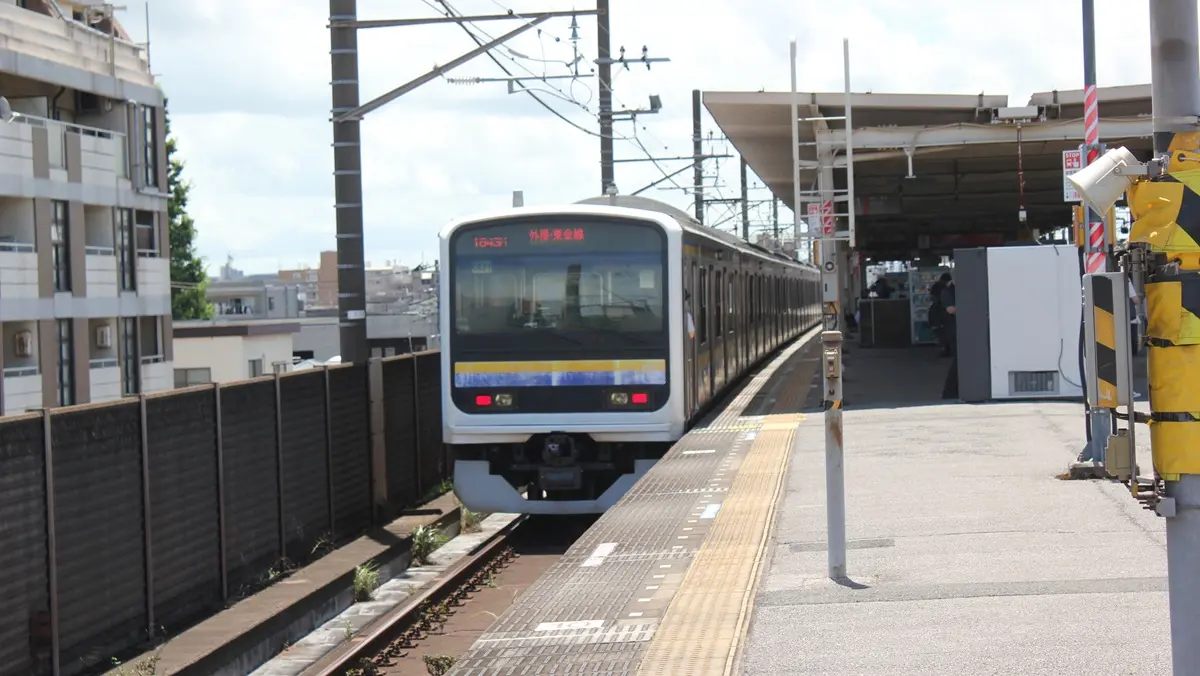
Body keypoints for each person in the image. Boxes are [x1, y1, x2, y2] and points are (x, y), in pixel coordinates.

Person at [940, 279, 958, 400]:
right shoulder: (947, 292)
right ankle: (950, 391)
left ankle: (953, 390)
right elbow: (950, 309)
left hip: (958, 329)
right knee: (959, 360)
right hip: (953, 330)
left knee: (960, 361)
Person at [928, 273, 952, 357]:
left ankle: (944, 349)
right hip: (944, 315)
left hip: (937, 315)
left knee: (940, 334)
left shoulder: (936, 287)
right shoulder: (947, 289)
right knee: (946, 333)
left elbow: (932, 297)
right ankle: (947, 349)